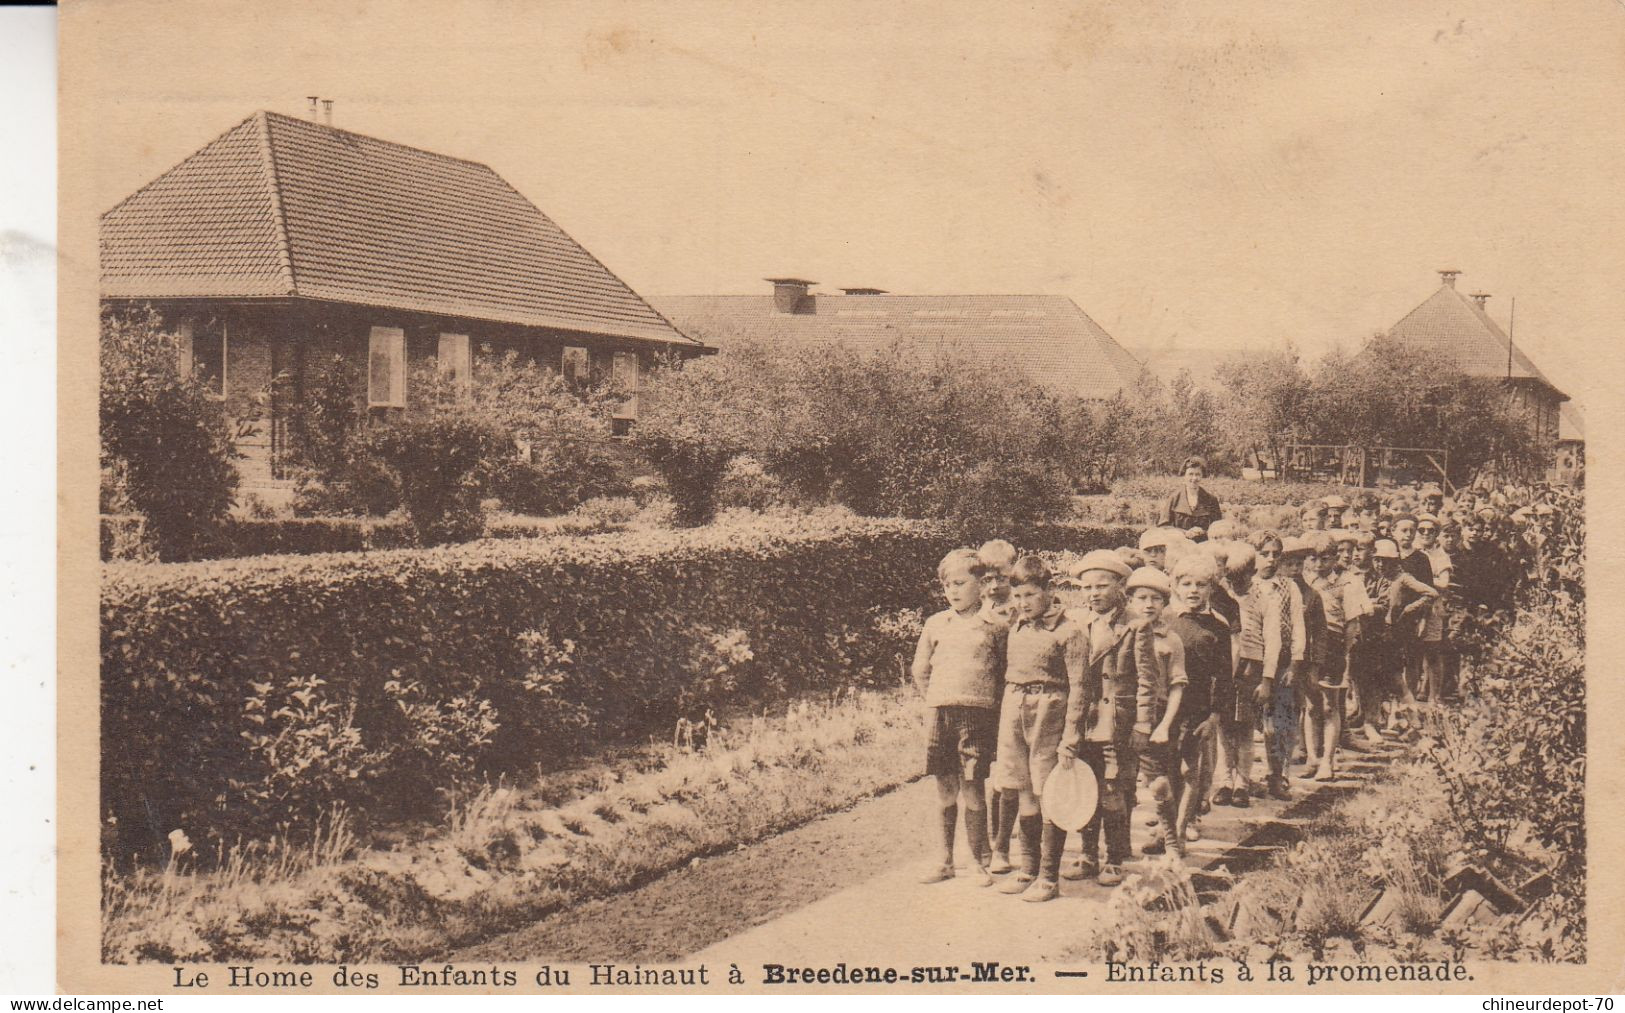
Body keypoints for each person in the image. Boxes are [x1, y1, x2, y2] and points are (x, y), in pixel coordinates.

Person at [991, 556, 1089, 901]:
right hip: (1014, 706)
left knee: (1050, 793)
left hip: (1050, 711)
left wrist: (1071, 736)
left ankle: (1049, 877)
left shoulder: (1070, 631)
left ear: (1048, 591)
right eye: (1017, 596)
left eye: (1030, 595)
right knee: (1022, 790)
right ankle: (1027, 869)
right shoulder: (1016, 626)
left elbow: (1079, 687)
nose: (1023, 603)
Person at [912, 549, 1007, 885]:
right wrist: (936, 700)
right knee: (945, 786)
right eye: (947, 585)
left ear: (981, 584)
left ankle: (979, 860)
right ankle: (945, 860)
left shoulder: (995, 626)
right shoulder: (936, 624)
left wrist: (989, 708)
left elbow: (1004, 673)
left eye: (960, 583)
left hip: (977, 715)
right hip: (941, 712)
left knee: (973, 788)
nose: (952, 591)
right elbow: (920, 670)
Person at [1069, 549, 1135, 886]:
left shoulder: (1134, 625)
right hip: (1084, 717)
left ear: (1120, 586)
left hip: (1116, 719)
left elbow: (1150, 682)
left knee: (1114, 789)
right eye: (1087, 587)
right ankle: (1088, 854)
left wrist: (1144, 724)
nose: (1094, 593)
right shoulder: (1076, 624)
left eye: (1102, 585)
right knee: (1085, 785)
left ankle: (1116, 858)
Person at [1164, 552, 1232, 846]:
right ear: (1176, 586)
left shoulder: (1218, 625)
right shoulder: (1166, 619)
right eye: (1187, 583)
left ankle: (1185, 823)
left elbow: (1224, 674)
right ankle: (1167, 827)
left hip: (1198, 708)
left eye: (1201, 585)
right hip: (1166, 706)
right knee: (1166, 769)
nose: (1193, 590)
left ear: (1211, 588)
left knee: (1190, 768)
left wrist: (1215, 715)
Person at [1122, 567, 1188, 858]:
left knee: (1159, 781)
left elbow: (1177, 686)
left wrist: (1164, 724)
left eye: (1156, 599)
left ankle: (1171, 840)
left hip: (1157, 715)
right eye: (1141, 598)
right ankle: (1119, 844)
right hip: (1124, 711)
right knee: (1121, 780)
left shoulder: (1170, 639)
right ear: (1130, 601)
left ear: (1165, 603)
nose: (1148, 605)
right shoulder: (1123, 633)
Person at [1304, 532, 1347, 781]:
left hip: (1333, 645)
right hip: (1308, 646)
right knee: (1310, 706)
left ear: (1335, 558)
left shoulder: (1345, 582)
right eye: (1314, 559)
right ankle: (1313, 757)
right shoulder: (1305, 582)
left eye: (1325, 559)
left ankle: (1328, 761)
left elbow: (1352, 624)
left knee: (1330, 705)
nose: (1319, 565)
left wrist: (1348, 656)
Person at [1161, 456, 1223, 540]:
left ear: (1202, 476)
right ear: (1184, 476)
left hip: (1204, 546)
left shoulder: (1211, 500)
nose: (1194, 478)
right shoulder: (1174, 498)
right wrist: (1184, 532)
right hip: (1179, 544)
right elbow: (1163, 526)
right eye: (1190, 474)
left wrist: (1202, 531)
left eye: (1197, 474)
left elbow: (1218, 527)